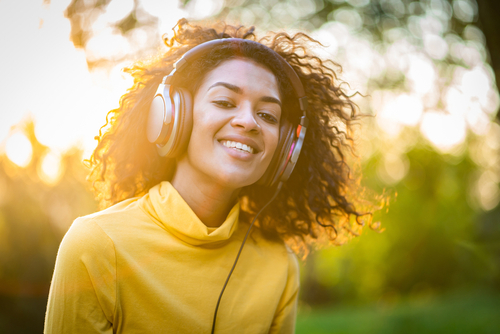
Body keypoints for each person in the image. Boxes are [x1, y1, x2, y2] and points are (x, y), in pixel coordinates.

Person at [44, 19, 373, 333]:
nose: (248, 122)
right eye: (225, 101)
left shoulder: (279, 265)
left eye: (267, 114)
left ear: (286, 150)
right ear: (172, 117)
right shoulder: (96, 245)